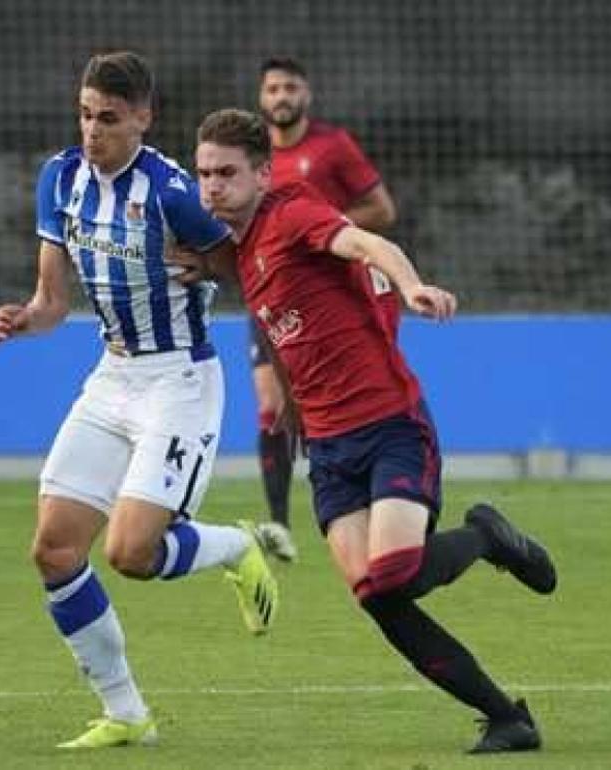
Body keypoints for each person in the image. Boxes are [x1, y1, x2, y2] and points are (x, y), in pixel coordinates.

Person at [179, 107, 557, 754]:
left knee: (396, 572)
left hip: (389, 425)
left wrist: (410, 286)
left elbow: (371, 243)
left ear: (263, 174)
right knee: (376, 595)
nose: (211, 186)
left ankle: (488, 538)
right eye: (203, 173)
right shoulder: (237, 249)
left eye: (226, 173)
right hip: (328, 449)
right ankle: (507, 718)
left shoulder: (294, 212)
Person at [0, 53, 279, 750]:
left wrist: (207, 263)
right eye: (86, 115)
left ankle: (238, 547)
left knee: (130, 551)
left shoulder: (174, 191)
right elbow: (55, 300)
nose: (93, 131)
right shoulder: (59, 178)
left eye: (109, 119)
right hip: (112, 379)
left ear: (143, 118)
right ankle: (126, 713)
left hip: (179, 382)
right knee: (55, 550)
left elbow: (248, 267)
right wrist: (28, 318)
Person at [251, 56, 399, 564]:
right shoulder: (253, 161)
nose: (281, 97)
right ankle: (277, 522)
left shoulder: (332, 147)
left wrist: (322, 228)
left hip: (328, 295)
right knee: (271, 404)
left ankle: (358, 497)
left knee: (327, 398)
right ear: (261, 98)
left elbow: (383, 210)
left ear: (306, 95)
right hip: (272, 293)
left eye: (290, 87)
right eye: (272, 89)